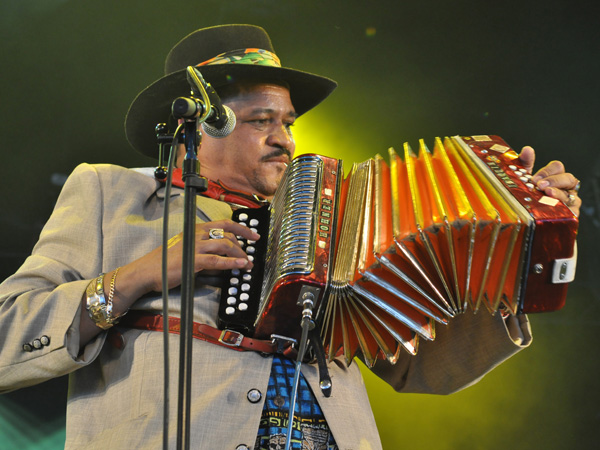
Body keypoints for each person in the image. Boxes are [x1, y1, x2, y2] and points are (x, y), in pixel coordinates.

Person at [0, 24, 581, 450]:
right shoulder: (110, 194)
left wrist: (520, 258)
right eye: (261, 121)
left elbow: (421, 370)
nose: (285, 139)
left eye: (289, 123)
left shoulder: (330, 221)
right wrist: (140, 276)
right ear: (200, 123)